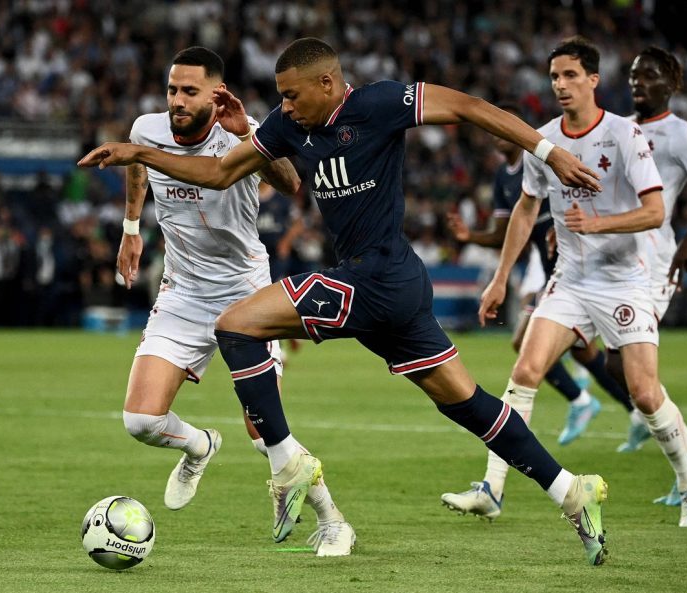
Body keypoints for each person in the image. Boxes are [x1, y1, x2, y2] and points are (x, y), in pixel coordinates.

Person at [80, 37, 611, 565]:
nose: (284, 108)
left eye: (291, 96)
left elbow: (470, 107)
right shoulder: (291, 126)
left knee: (236, 325)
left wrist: (550, 152)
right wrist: (143, 154)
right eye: (280, 98)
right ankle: (569, 490)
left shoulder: (379, 104)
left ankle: (287, 465)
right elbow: (218, 172)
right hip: (381, 285)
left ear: (327, 84)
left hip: (380, 276)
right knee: (467, 404)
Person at [114, 46, 354, 557]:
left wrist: (248, 131)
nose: (177, 100)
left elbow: (291, 184)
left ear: (216, 93)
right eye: (172, 90)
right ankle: (199, 446)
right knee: (141, 421)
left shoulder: (242, 136)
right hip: (182, 292)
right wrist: (132, 228)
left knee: (262, 429)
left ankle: (333, 520)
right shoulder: (145, 129)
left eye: (190, 91)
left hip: (244, 293)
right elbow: (136, 166)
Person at [469, 36, 687, 528]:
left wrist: (596, 225)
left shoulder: (623, 135)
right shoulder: (543, 141)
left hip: (625, 281)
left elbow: (656, 211)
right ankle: (492, 488)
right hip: (570, 281)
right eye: (555, 76)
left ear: (593, 80)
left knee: (643, 392)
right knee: (525, 372)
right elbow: (526, 207)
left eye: (571, 75)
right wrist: (500, 279)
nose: (561, 84)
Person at [443, 102, 634, 454]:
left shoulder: (548, 155)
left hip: (574, 263)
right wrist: (471, 238)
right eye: (491, 130)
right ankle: (621, 408)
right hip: (543, 264)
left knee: (581, 349)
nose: (495, 134)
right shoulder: (505, 176)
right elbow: (504, 231)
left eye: (502, 127)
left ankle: (603, 404)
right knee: (579, 350)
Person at [609, 46, 687, 503]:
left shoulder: (681, 135)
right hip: (615, 259)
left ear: (671, 84)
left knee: (630, 367)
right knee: (611, 364)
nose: (638, 81)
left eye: (650, 75)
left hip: (658, 262)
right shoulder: (620, 128)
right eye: (635, 74)